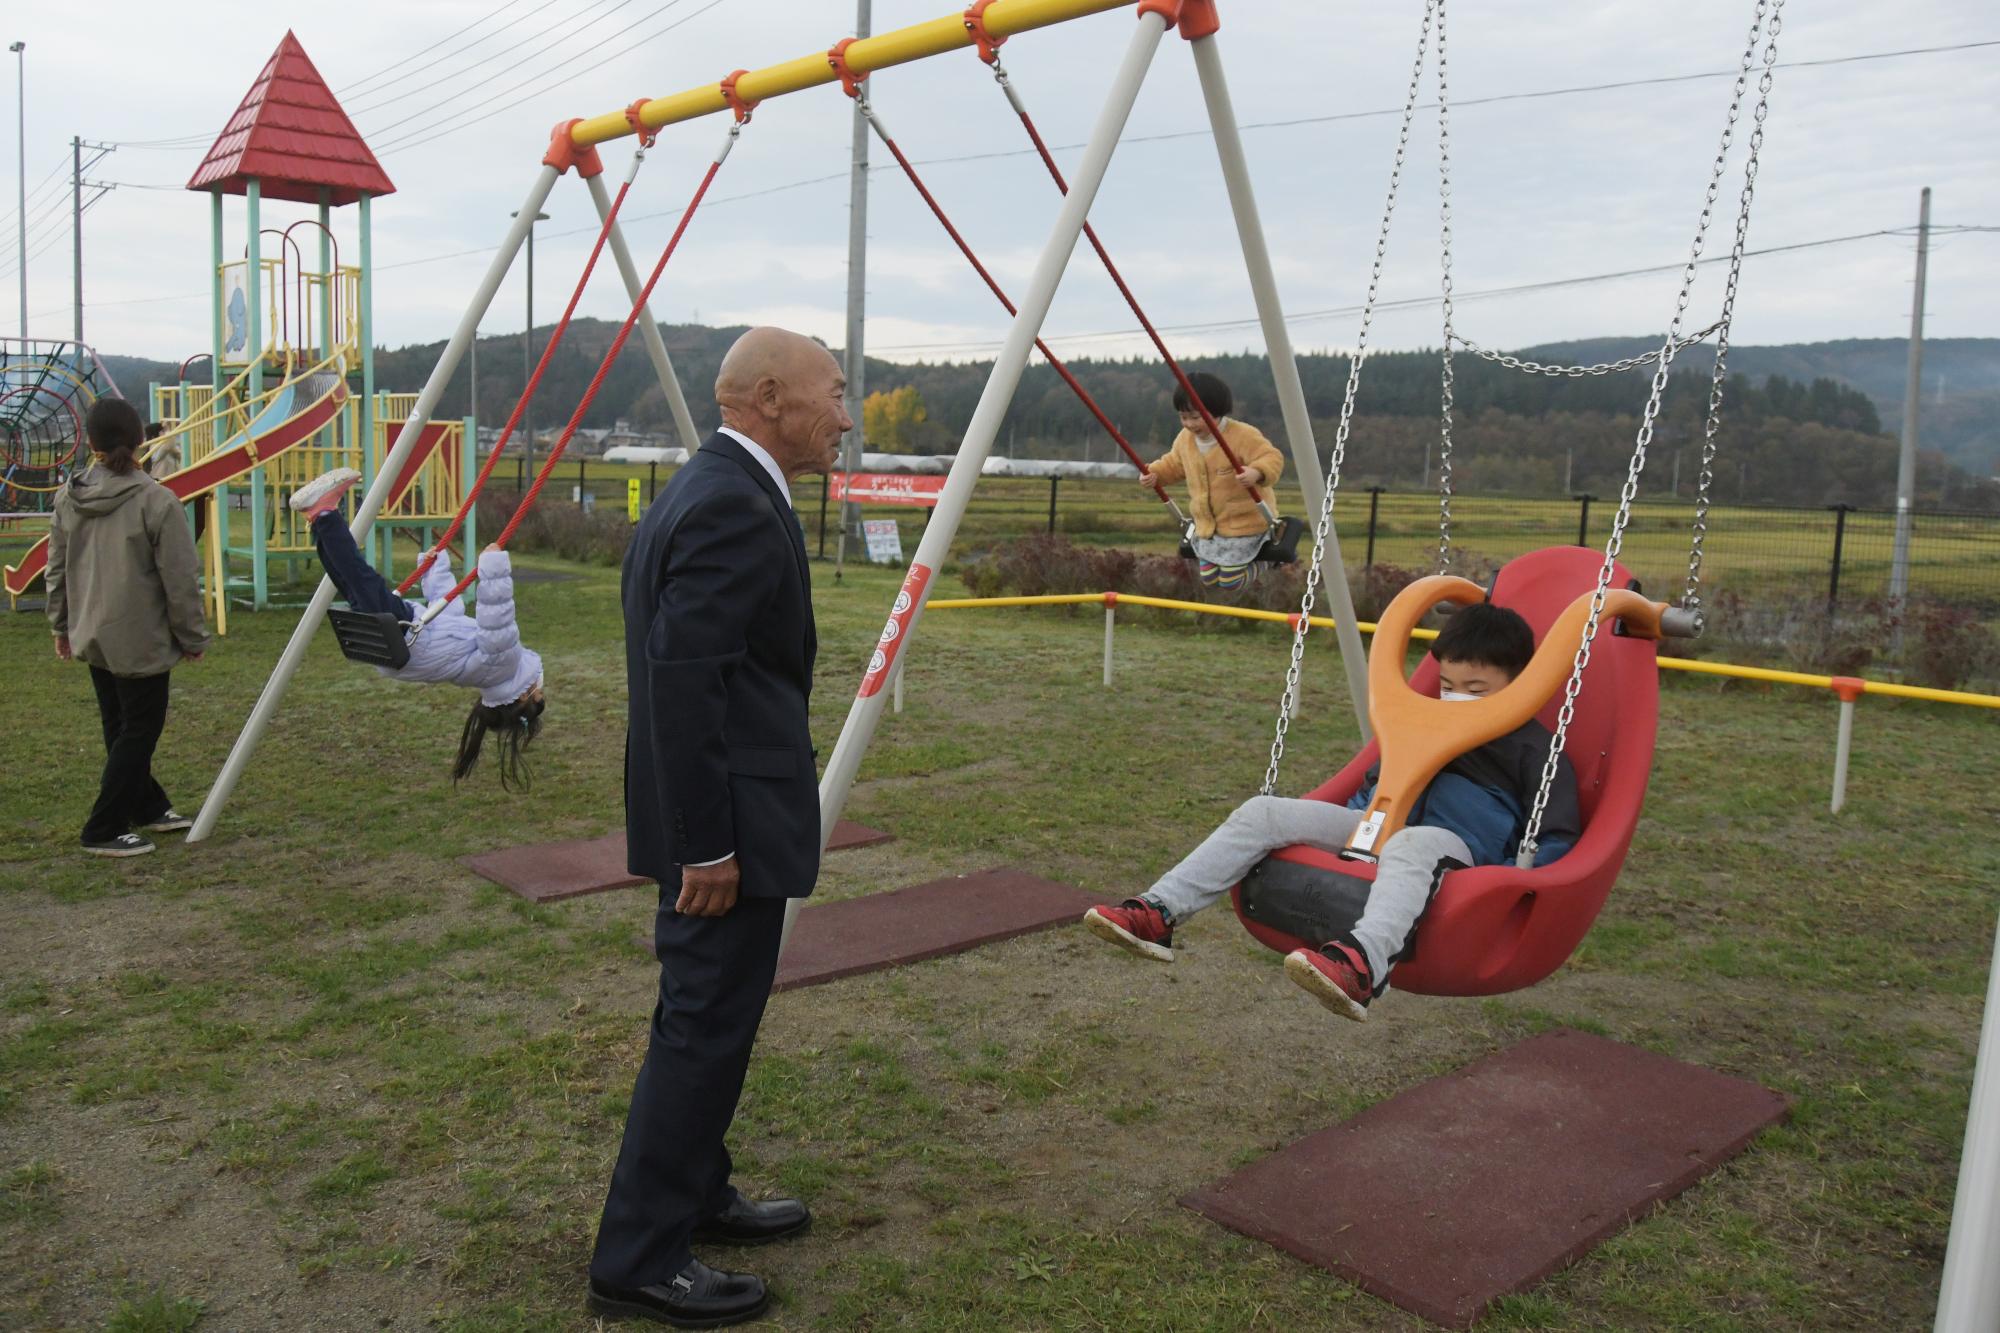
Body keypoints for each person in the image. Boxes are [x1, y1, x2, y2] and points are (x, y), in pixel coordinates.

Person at [589, 327, 847, 1328]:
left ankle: (695, 1193)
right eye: (834, 392)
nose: (844, 412)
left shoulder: (714, 487)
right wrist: (705, 843)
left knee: (712, 1018)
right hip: (723, 829)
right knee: (701, 1026)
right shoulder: (733, 503)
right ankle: (640, 1256)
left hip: (725, 816)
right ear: (772, 397)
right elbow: (683, 680)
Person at [1083, 603, 1581, 1021]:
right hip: (1380, 823)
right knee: (1265, 812)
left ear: (1522, 683)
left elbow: (1555, 833)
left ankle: (1360, 966)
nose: (1457, 699)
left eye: (1477, 689)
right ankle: (1157, 912)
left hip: (1459, 848)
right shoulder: (1422, 721)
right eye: (1448, 685)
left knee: (1412, 842)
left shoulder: (1535, 748)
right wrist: (1357, 825)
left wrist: (1512, 885)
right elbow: (1378, 781)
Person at [285, 468, 545, 789]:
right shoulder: (488, 671)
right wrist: (436, 570)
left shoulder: (505, 665)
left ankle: (324, 514)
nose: (540, 684)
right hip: (403, 644)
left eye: (539, 692)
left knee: (358, 577)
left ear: (523, 696)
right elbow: (448, 615)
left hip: (406, 638)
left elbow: (498, 618)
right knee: (349, 579)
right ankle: (318, 517)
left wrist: (493, 567)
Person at [45, 397, 210, 857]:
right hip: (140, 638)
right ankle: (104, 826)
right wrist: (192, 636)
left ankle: (147, 805)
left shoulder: (70, 496)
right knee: (137, 730)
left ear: (91, 441)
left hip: (93, 631)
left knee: (121, 727)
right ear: (141, 440)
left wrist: (62, 625)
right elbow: (180, 579)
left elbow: (54, 570)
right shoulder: (157, 501)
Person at [1139, 371, 1285, 589]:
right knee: (1209, 579)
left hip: (1245, 524)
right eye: (1183, 417)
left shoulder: (1242, 435)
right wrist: (1154, 474)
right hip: (1208, 528)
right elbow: (1174, 464)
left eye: (1196, 417)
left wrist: (1257, 472)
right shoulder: (1185, 440)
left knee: (1230, 581)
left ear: (1217, 411)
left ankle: (1270, 560)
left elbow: (1271, 457)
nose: (1189, 424)